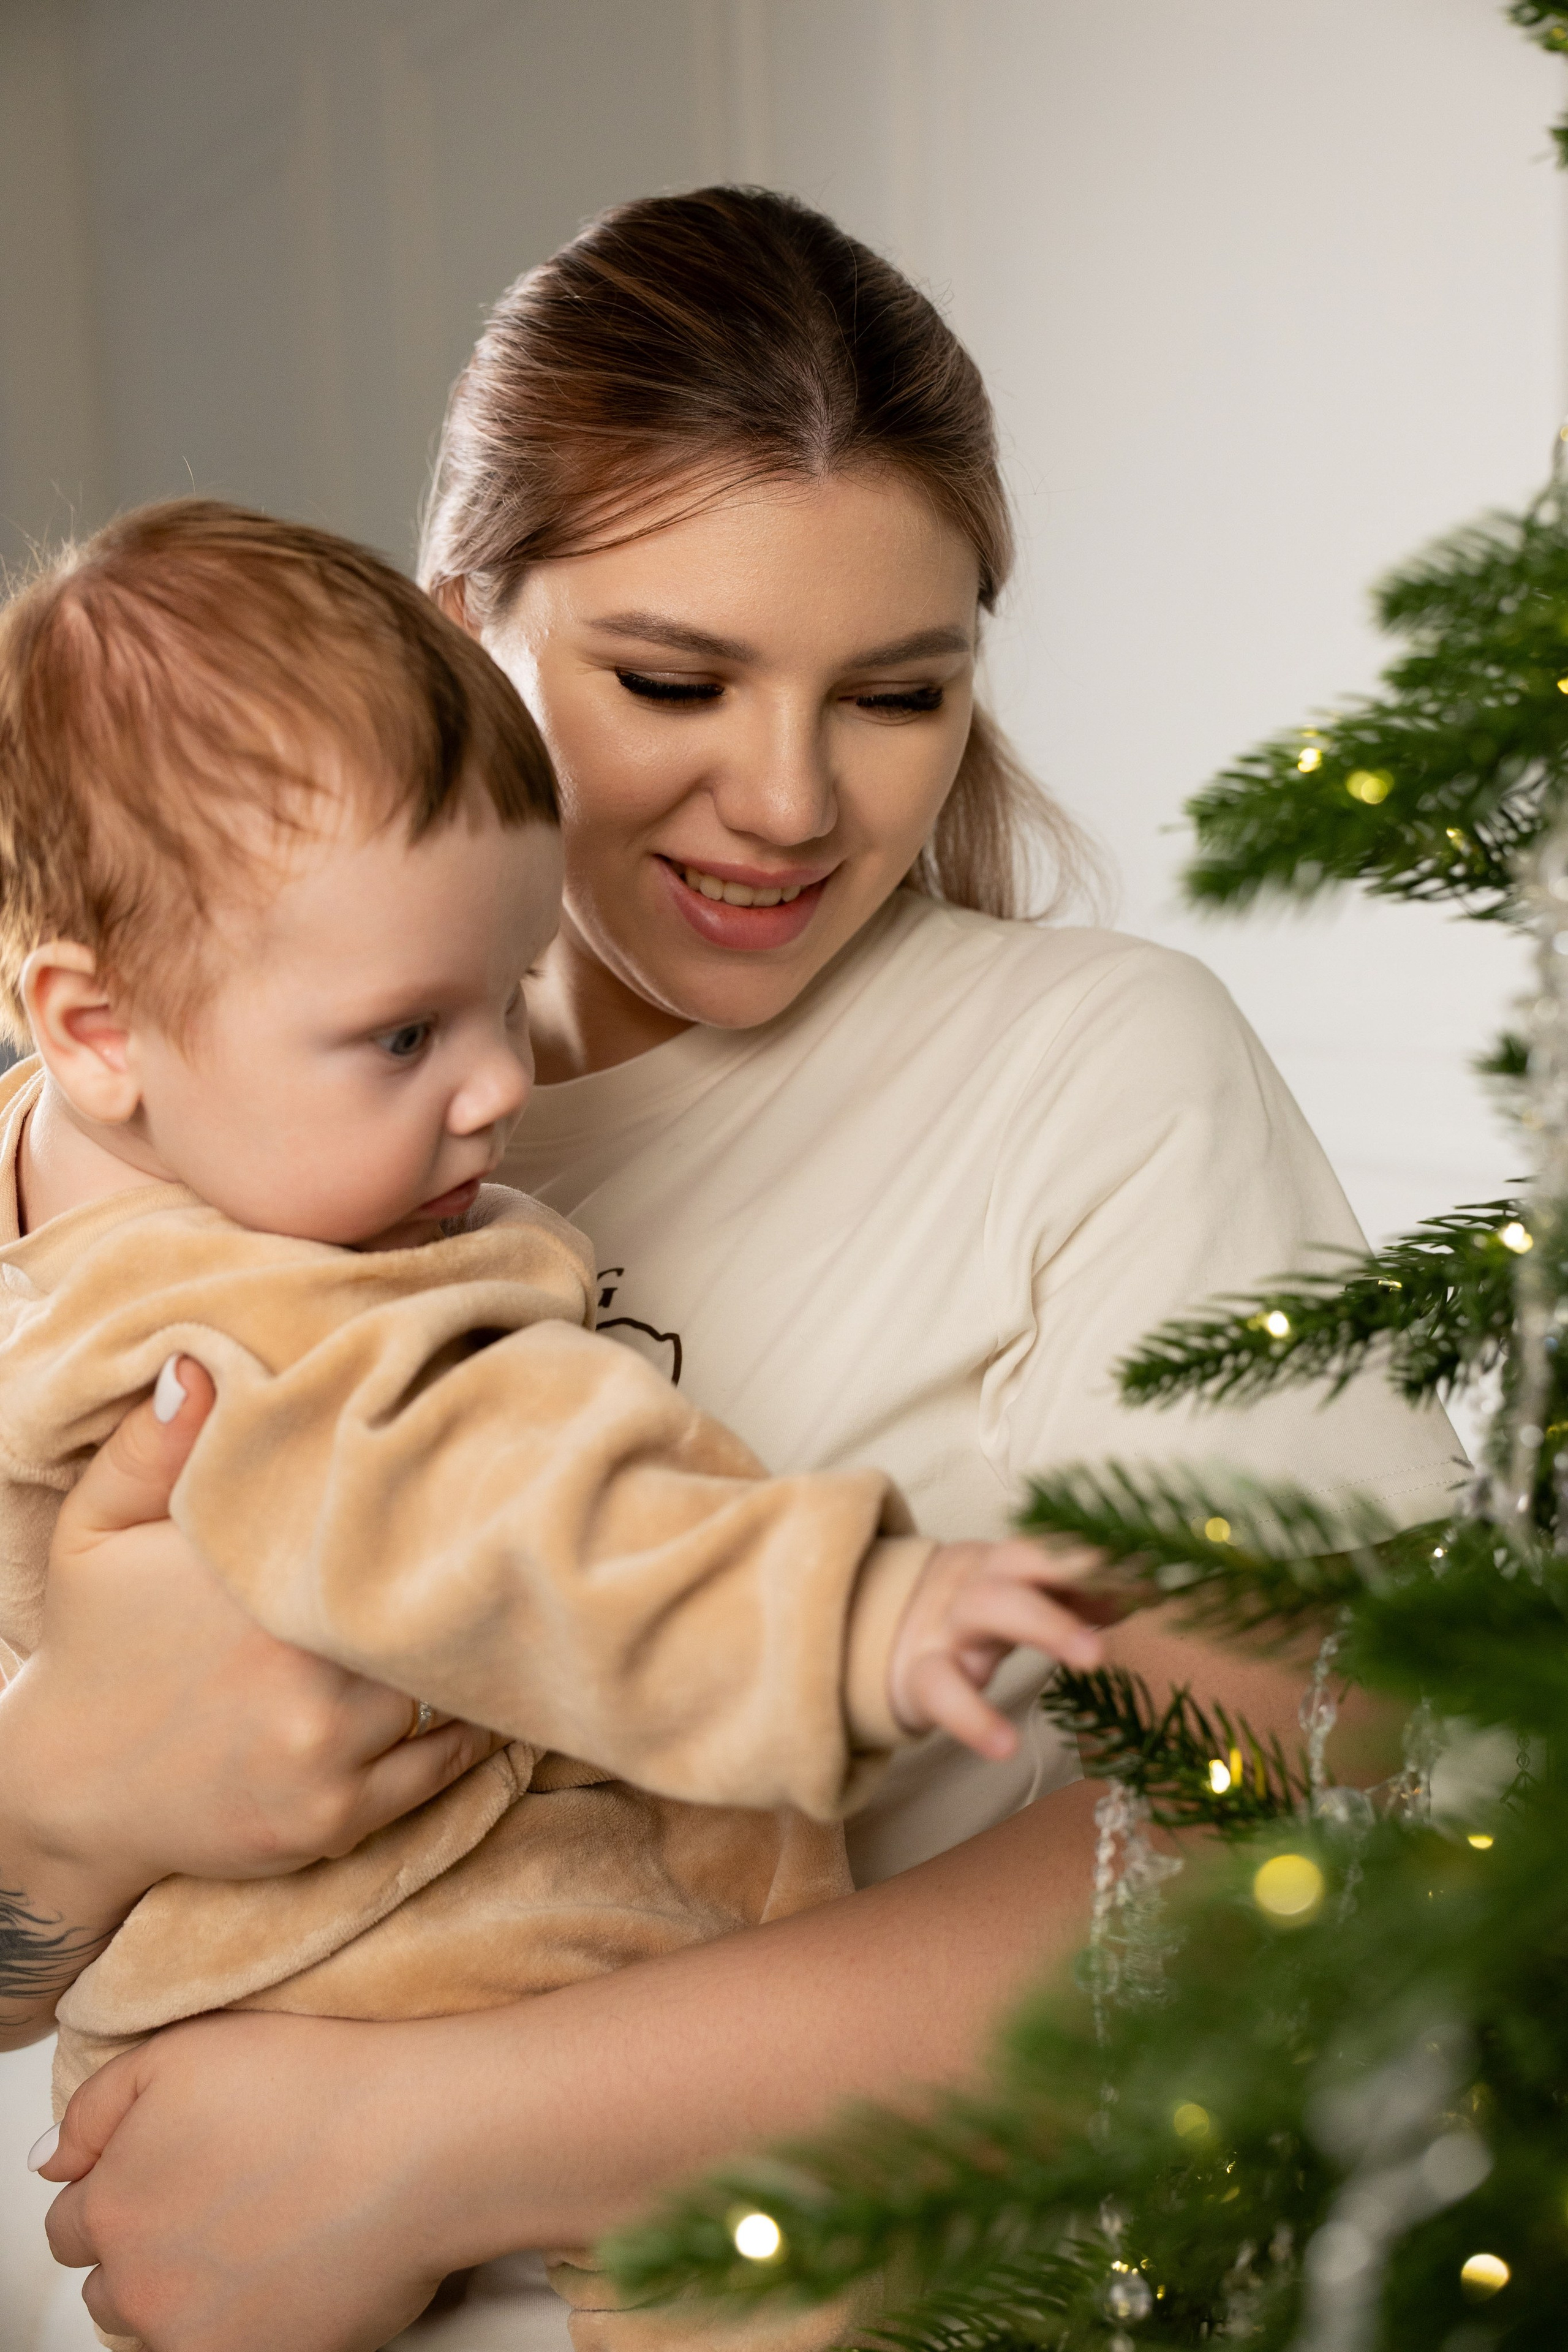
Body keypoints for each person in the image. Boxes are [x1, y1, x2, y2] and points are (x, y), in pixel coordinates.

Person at [24, 188, 1461, 2352]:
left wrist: (429, 2141)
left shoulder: (1091, 1073)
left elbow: (1312, 1839)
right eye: (670, 679)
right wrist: (72, 1805)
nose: (788, 800)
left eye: (898, 694)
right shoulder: (112, 1150)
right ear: (459, 634)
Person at [0, 497, 1109, 2346]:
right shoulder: (282, 1321)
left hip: (271, 2038)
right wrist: (859, 1620)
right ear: (96, 1026)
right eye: (405, 1037)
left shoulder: (93, 1191)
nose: (505, 1085)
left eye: (511, 991)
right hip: (452, 1956)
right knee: (812, 2266)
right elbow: (532, 1526)